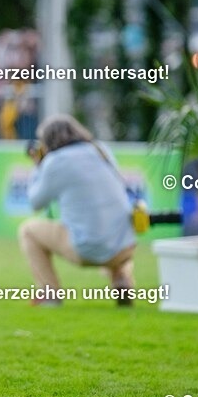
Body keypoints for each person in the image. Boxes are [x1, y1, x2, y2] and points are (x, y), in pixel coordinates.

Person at [18, 114, 136, 306]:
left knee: (28, 231)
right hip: (124, 246)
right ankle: (121, 276)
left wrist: (38, 166)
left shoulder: (55, 162)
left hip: (87, 249)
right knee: (109, 228)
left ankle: (50, 294)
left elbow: (35, 202)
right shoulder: (100, 149)